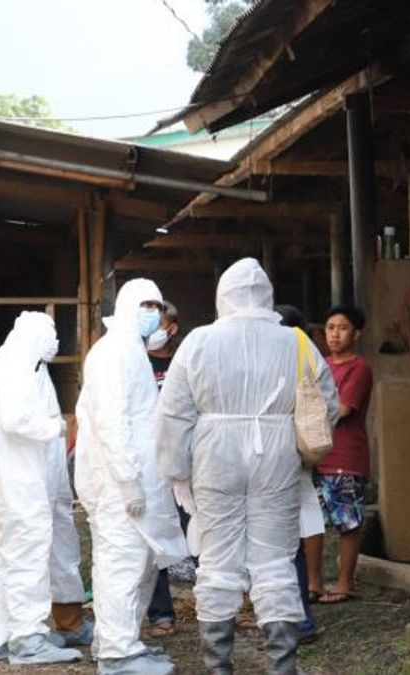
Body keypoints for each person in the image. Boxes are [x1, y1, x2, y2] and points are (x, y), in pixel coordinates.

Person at [156, 259, 337, 675]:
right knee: (275, 558)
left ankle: (219, 665)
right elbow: (325, 403)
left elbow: (174, 413)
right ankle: (282, 664)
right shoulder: (296, 341)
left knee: (218, 558)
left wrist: (176, 470)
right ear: (267, 295)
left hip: (214, 452)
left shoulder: (199, 341)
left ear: (224, 296)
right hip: (275, 452)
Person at [75, 279, 188, 675]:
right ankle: (118, 655)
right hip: (119, 484)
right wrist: (126, 480)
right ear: (125, 305)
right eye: (145, 304)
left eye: (156, 305)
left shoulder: (131, 351)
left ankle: (120, 641)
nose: (152, 312)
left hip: (139, 479)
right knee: (121, 564)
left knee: (139, 565)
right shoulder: (112, 353)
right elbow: (111, 423)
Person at [0, 311, 85, 664]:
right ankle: (27, 637)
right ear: (34, 337)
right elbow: (16, 420)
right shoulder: (16, 371)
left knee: (0, 559)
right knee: (28, 560)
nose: (56, 343)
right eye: (51, 336)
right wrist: (58, 428)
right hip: (20, 484)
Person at [307, 306, 373, 605]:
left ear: (356, 334)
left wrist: (308, 411)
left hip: (346, 455)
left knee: (347, 523)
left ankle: (345, 583)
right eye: (331, 327)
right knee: (312, 522)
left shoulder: (359, 369)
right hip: (317, 456)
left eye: (343, 328)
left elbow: (343, 410)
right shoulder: (320, 365)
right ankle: (314, 583)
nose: (335, 333)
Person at [275, 304, 323, 644]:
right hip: (296, 457)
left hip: (256, 459)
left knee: (270, 547)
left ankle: (280, 619)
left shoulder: (255, 347)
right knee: (293, 544)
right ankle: (301, 619)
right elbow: (328, 407)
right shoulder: (307, 347)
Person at [144, 301, 190, 638]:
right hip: (149, 463)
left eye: (158, 323)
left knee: (201, 533)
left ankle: (222, 608)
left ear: (172, 328)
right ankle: (161, 613)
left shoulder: (185, 361)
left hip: (187, 463)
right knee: (153, 539)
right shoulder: (136, 363)